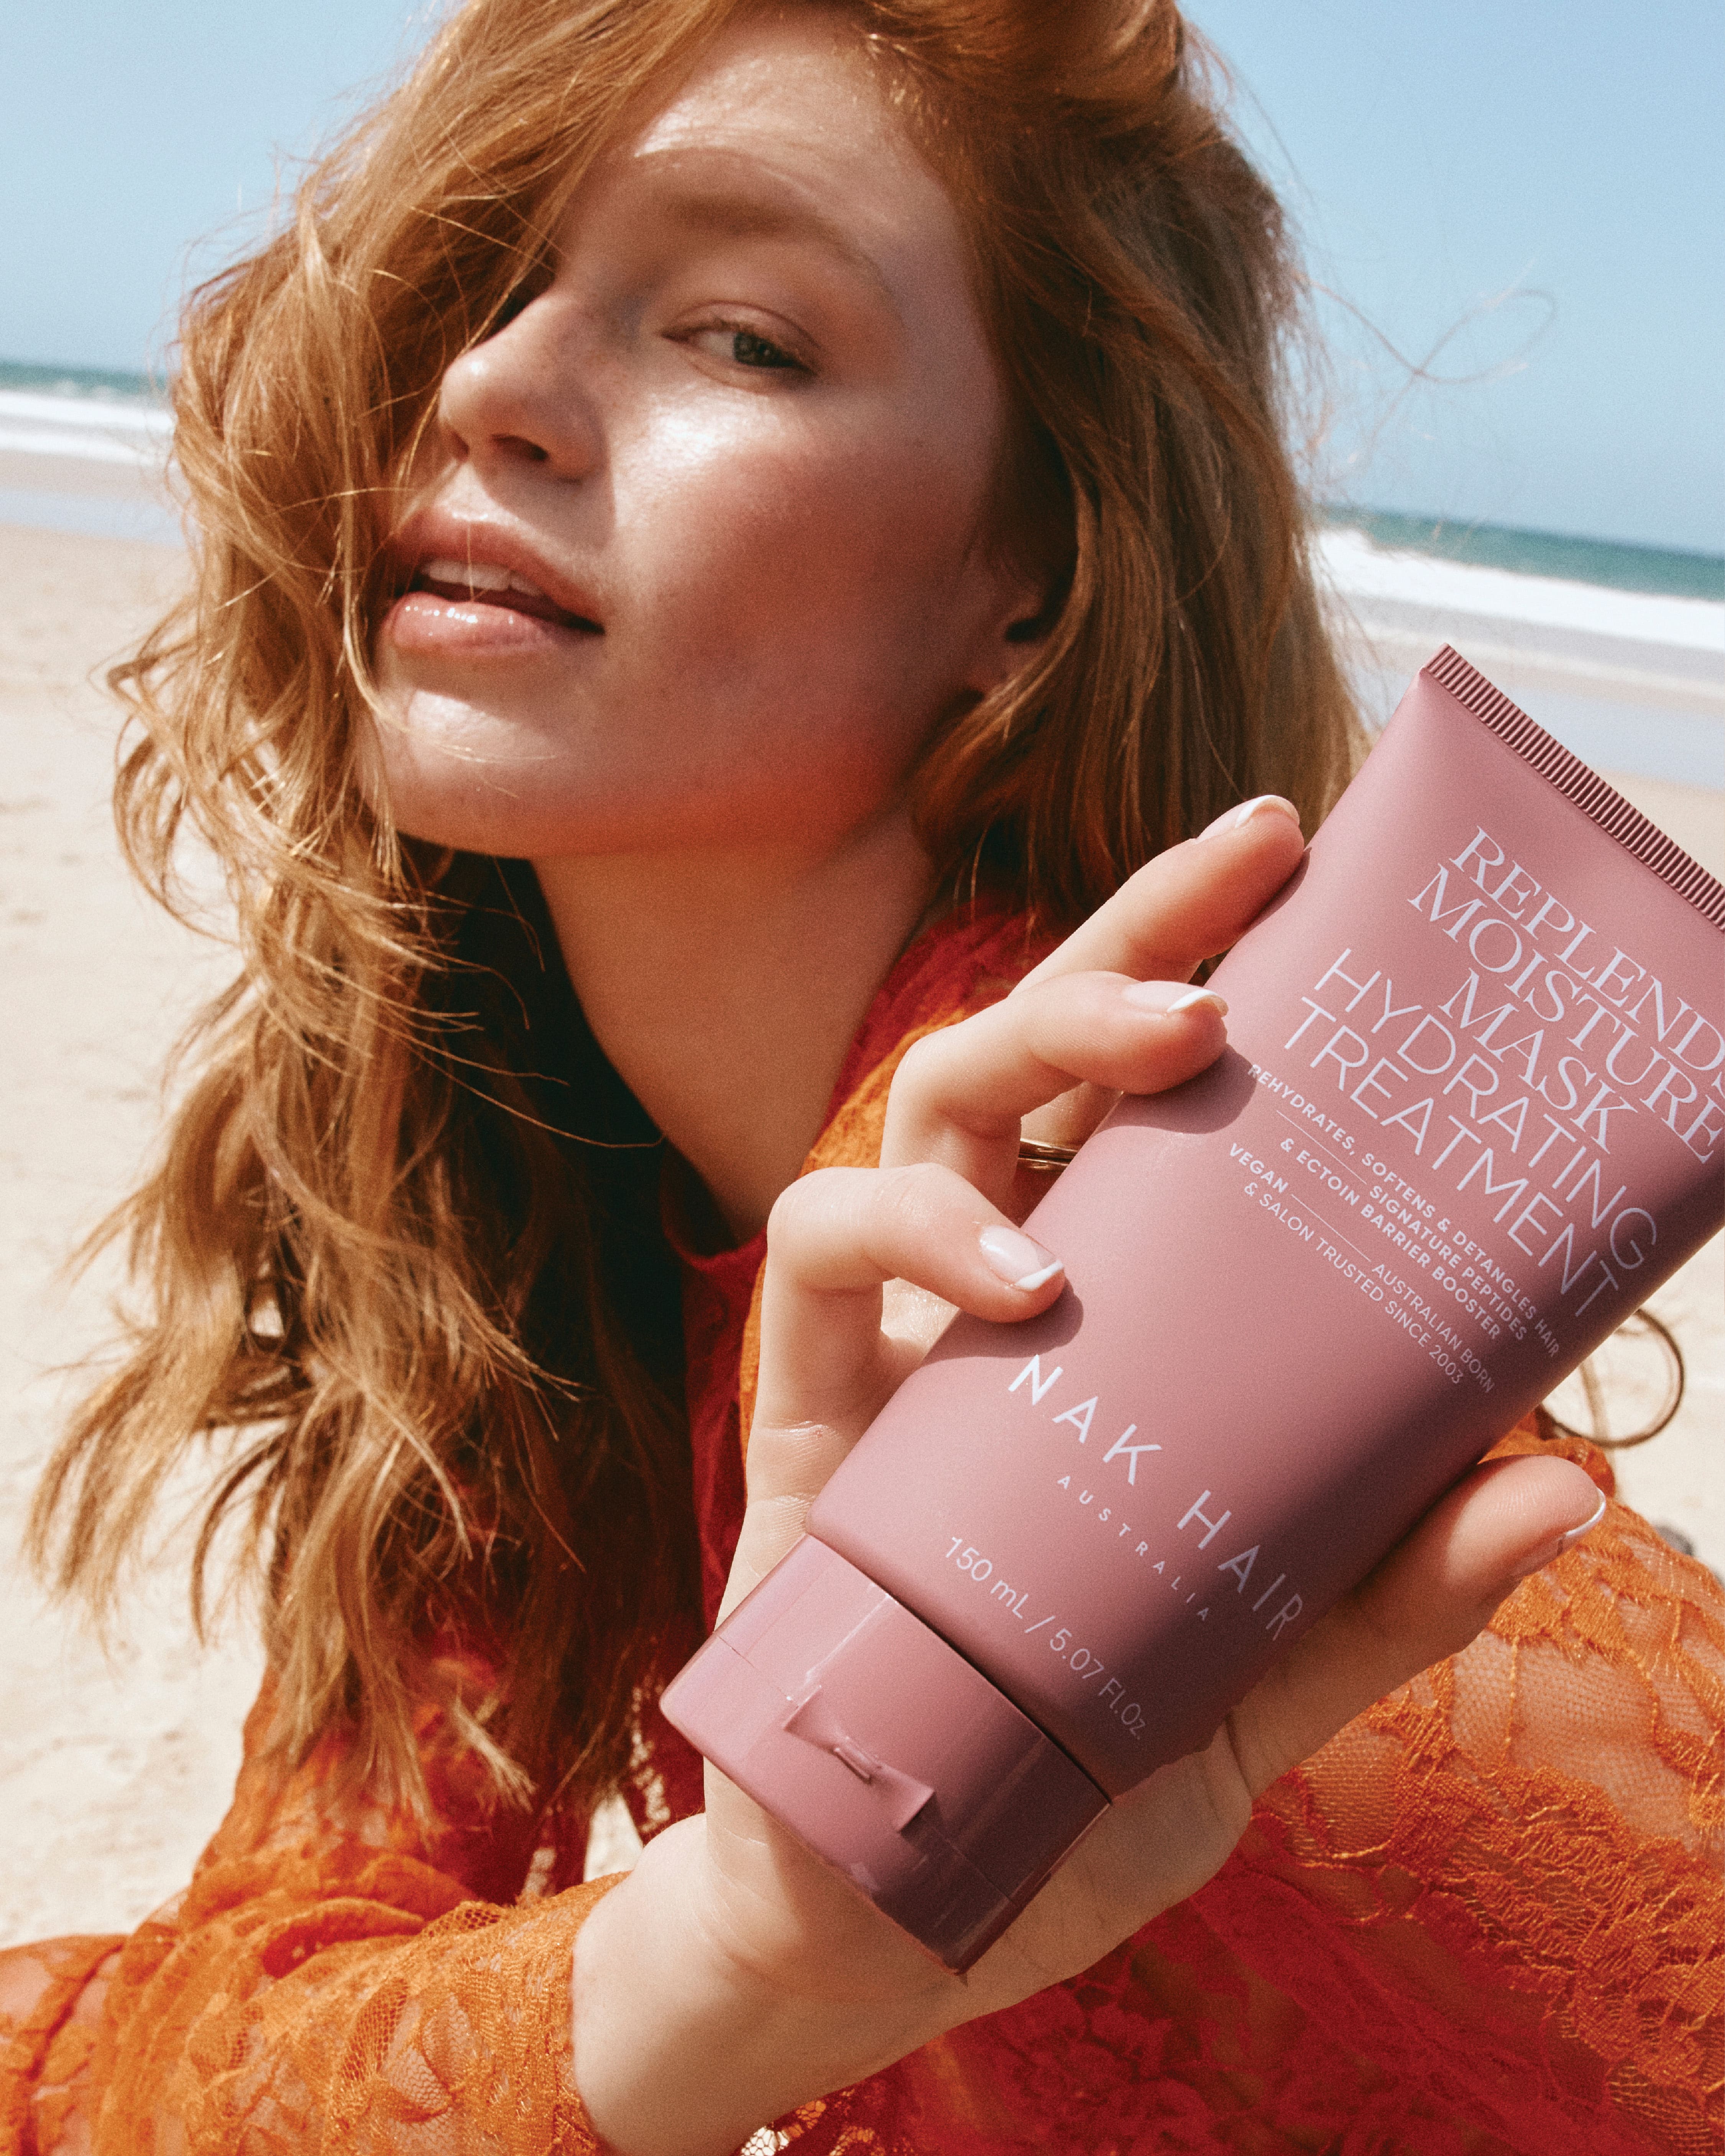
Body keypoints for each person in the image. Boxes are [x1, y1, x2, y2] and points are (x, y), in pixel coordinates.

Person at [3, 2, 1718, 2150]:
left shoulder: (1115, 1327)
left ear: (1028, 581)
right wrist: (729, 1959)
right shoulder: (537, 1226)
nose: (488, 385)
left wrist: (721, 1971)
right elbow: (200, 2039)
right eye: (481, 279)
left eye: (741, 337)